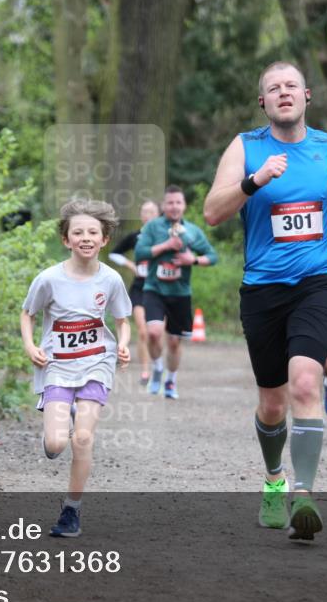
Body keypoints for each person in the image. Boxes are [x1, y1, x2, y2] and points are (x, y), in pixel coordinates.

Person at [204, 61, 327, 540]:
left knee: (304, 382)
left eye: (291, 86)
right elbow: (213, 212)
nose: (283, 93)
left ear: (306, 96)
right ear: (263, 102)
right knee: (273, 403)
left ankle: (304, 493)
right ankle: (275, 478)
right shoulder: (246, 147)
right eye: (273, 88)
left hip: (318, 281)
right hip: (262, 290)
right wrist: (253, 181)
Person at [21, 199, 132, 537]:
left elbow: (122, 320)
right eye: (78, 232)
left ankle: (72, 510)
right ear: (66, 240)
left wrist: (124, 344)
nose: (86, 237)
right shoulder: (49, 279)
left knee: (83, 438)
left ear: (104, 239)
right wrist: (30, 346)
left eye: (93, 232)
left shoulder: (111, 280)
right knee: (57, 444)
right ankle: (55, 430)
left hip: (97, 363)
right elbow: (28, 313)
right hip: (57, 368)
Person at [134, 185, 218, 400]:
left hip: (180, 293)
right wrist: (165, 246)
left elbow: (212, 256)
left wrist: (194, 260)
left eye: (178, 202)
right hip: (154, 289)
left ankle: (170, 380)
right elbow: (140, 252)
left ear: (184, 206)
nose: (174, 206)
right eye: (170, 202)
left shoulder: (192, 231)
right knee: (153, 332)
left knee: (173, 341)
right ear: (163, 206)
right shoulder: (153, 228)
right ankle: (157, 368)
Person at [108, 200, 161, 385]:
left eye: (152, 211)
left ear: (158, 214)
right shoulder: (135, 236)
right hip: (140, 288)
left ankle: (158, 366)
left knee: (157, 334)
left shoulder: (165, 236)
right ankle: (146, 372)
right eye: (145, 212)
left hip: (162, 289)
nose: (148, 215)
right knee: (143, 332)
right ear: (141, 215)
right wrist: (131, 265)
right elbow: (114, 254)